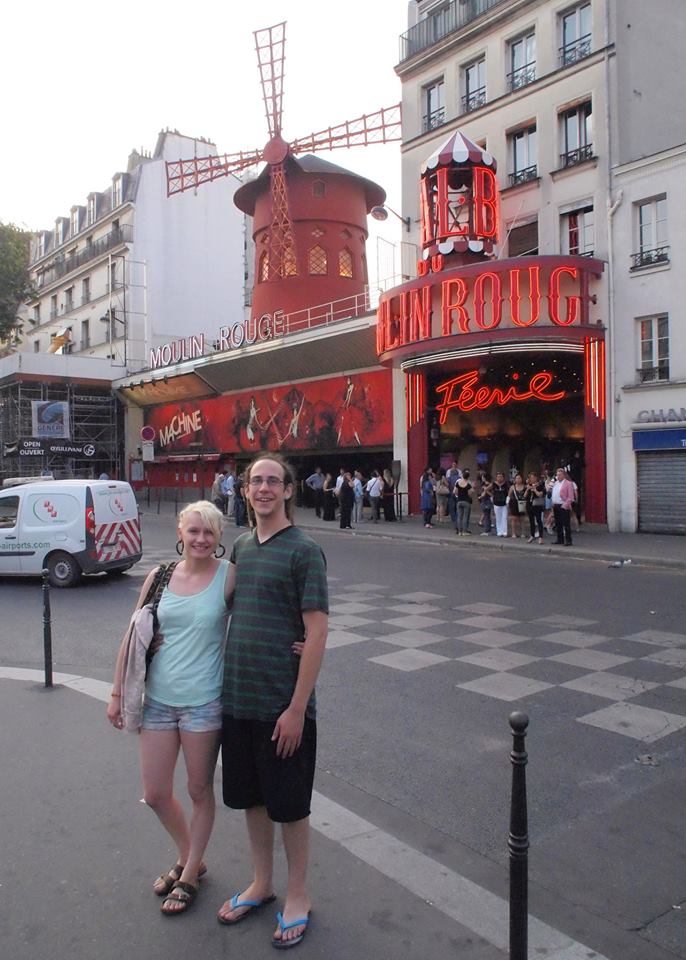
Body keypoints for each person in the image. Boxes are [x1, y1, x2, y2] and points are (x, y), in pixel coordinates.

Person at [216, 455, 328, 950]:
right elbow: (215, 601)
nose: (263, 488)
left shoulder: (305, 550)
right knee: (252, 799)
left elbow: (318, 628)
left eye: (272, 481)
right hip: (238, 699)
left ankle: (298, 895)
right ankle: (262, 883)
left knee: (291, 806)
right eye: (255, 481)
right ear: (244, 490)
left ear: (288, 491)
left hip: (282, 704)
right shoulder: (241, 546)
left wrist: (297, 707)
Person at [107, 501, 231, 915]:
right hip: (157, 700)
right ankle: (189, 853)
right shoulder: (159, 576)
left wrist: (300, 638)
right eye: (193, 531)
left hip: (204, 703)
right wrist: (115, 693)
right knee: (156, 793)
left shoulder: (229, 577)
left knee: (199, 791)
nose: (200, 539)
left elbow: (265, 611)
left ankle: (190, 871)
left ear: (218, 539)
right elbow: (135, 631)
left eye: (208, 532)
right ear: (180, 533)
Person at [551, 467, 575, 545]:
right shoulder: (555, 483)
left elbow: (571, 497)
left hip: (563, 505)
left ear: (564, 475)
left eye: (560, 475)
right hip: (556, 505)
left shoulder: (568, 483)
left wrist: (565, 505)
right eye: (557, 475)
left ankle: (568, 540)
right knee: (558, 523)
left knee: (566, 523)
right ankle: (559, 539)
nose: (558, 477)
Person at [525, 472, 546, 544]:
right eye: (530, 478)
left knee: (539, 520)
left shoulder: (540, 485)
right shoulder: (529, 485)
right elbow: (524, 496)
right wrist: (527, 489)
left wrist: (535, 489)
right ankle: (532, 535)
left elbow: (540, 495)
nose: (531, 479)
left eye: (533, 478)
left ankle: (541, 537)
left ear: (536, 478)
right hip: (529, 505)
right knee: (531, 521)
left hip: (537, 505)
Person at [507, 472, 528, 538]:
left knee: (522, 519)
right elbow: (509, 495)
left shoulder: (525, 487)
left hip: (522, 503)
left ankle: (523, 533)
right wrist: (508, 504)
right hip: (514, 503)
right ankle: (513, 533)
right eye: (516, 478)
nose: (518, 479)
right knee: (514, 518)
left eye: (519, 478)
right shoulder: (512, 487)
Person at [454, 469, 473, 535]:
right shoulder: (468, 485)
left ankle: (459, 531)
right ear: (468, 477)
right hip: (466, 501)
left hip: (459, 501)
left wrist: (458, 495)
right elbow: (470, 493)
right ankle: (465, 531)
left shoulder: (458, 483)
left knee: (459, 516)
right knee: (465, 517)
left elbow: (455, 492)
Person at [492, 472, 509, 538]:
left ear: (503, 477)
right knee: (498, 518)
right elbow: (487, 489)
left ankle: (505, 532)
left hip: (504, 503)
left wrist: (508, 500)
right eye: (498, 476)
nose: (499, 478)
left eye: (501, 476)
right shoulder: (494, 484)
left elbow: (509, 491)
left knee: (504, 518)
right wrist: (492, 496)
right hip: (496, 503)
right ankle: (499, 531)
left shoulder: (506, 484)